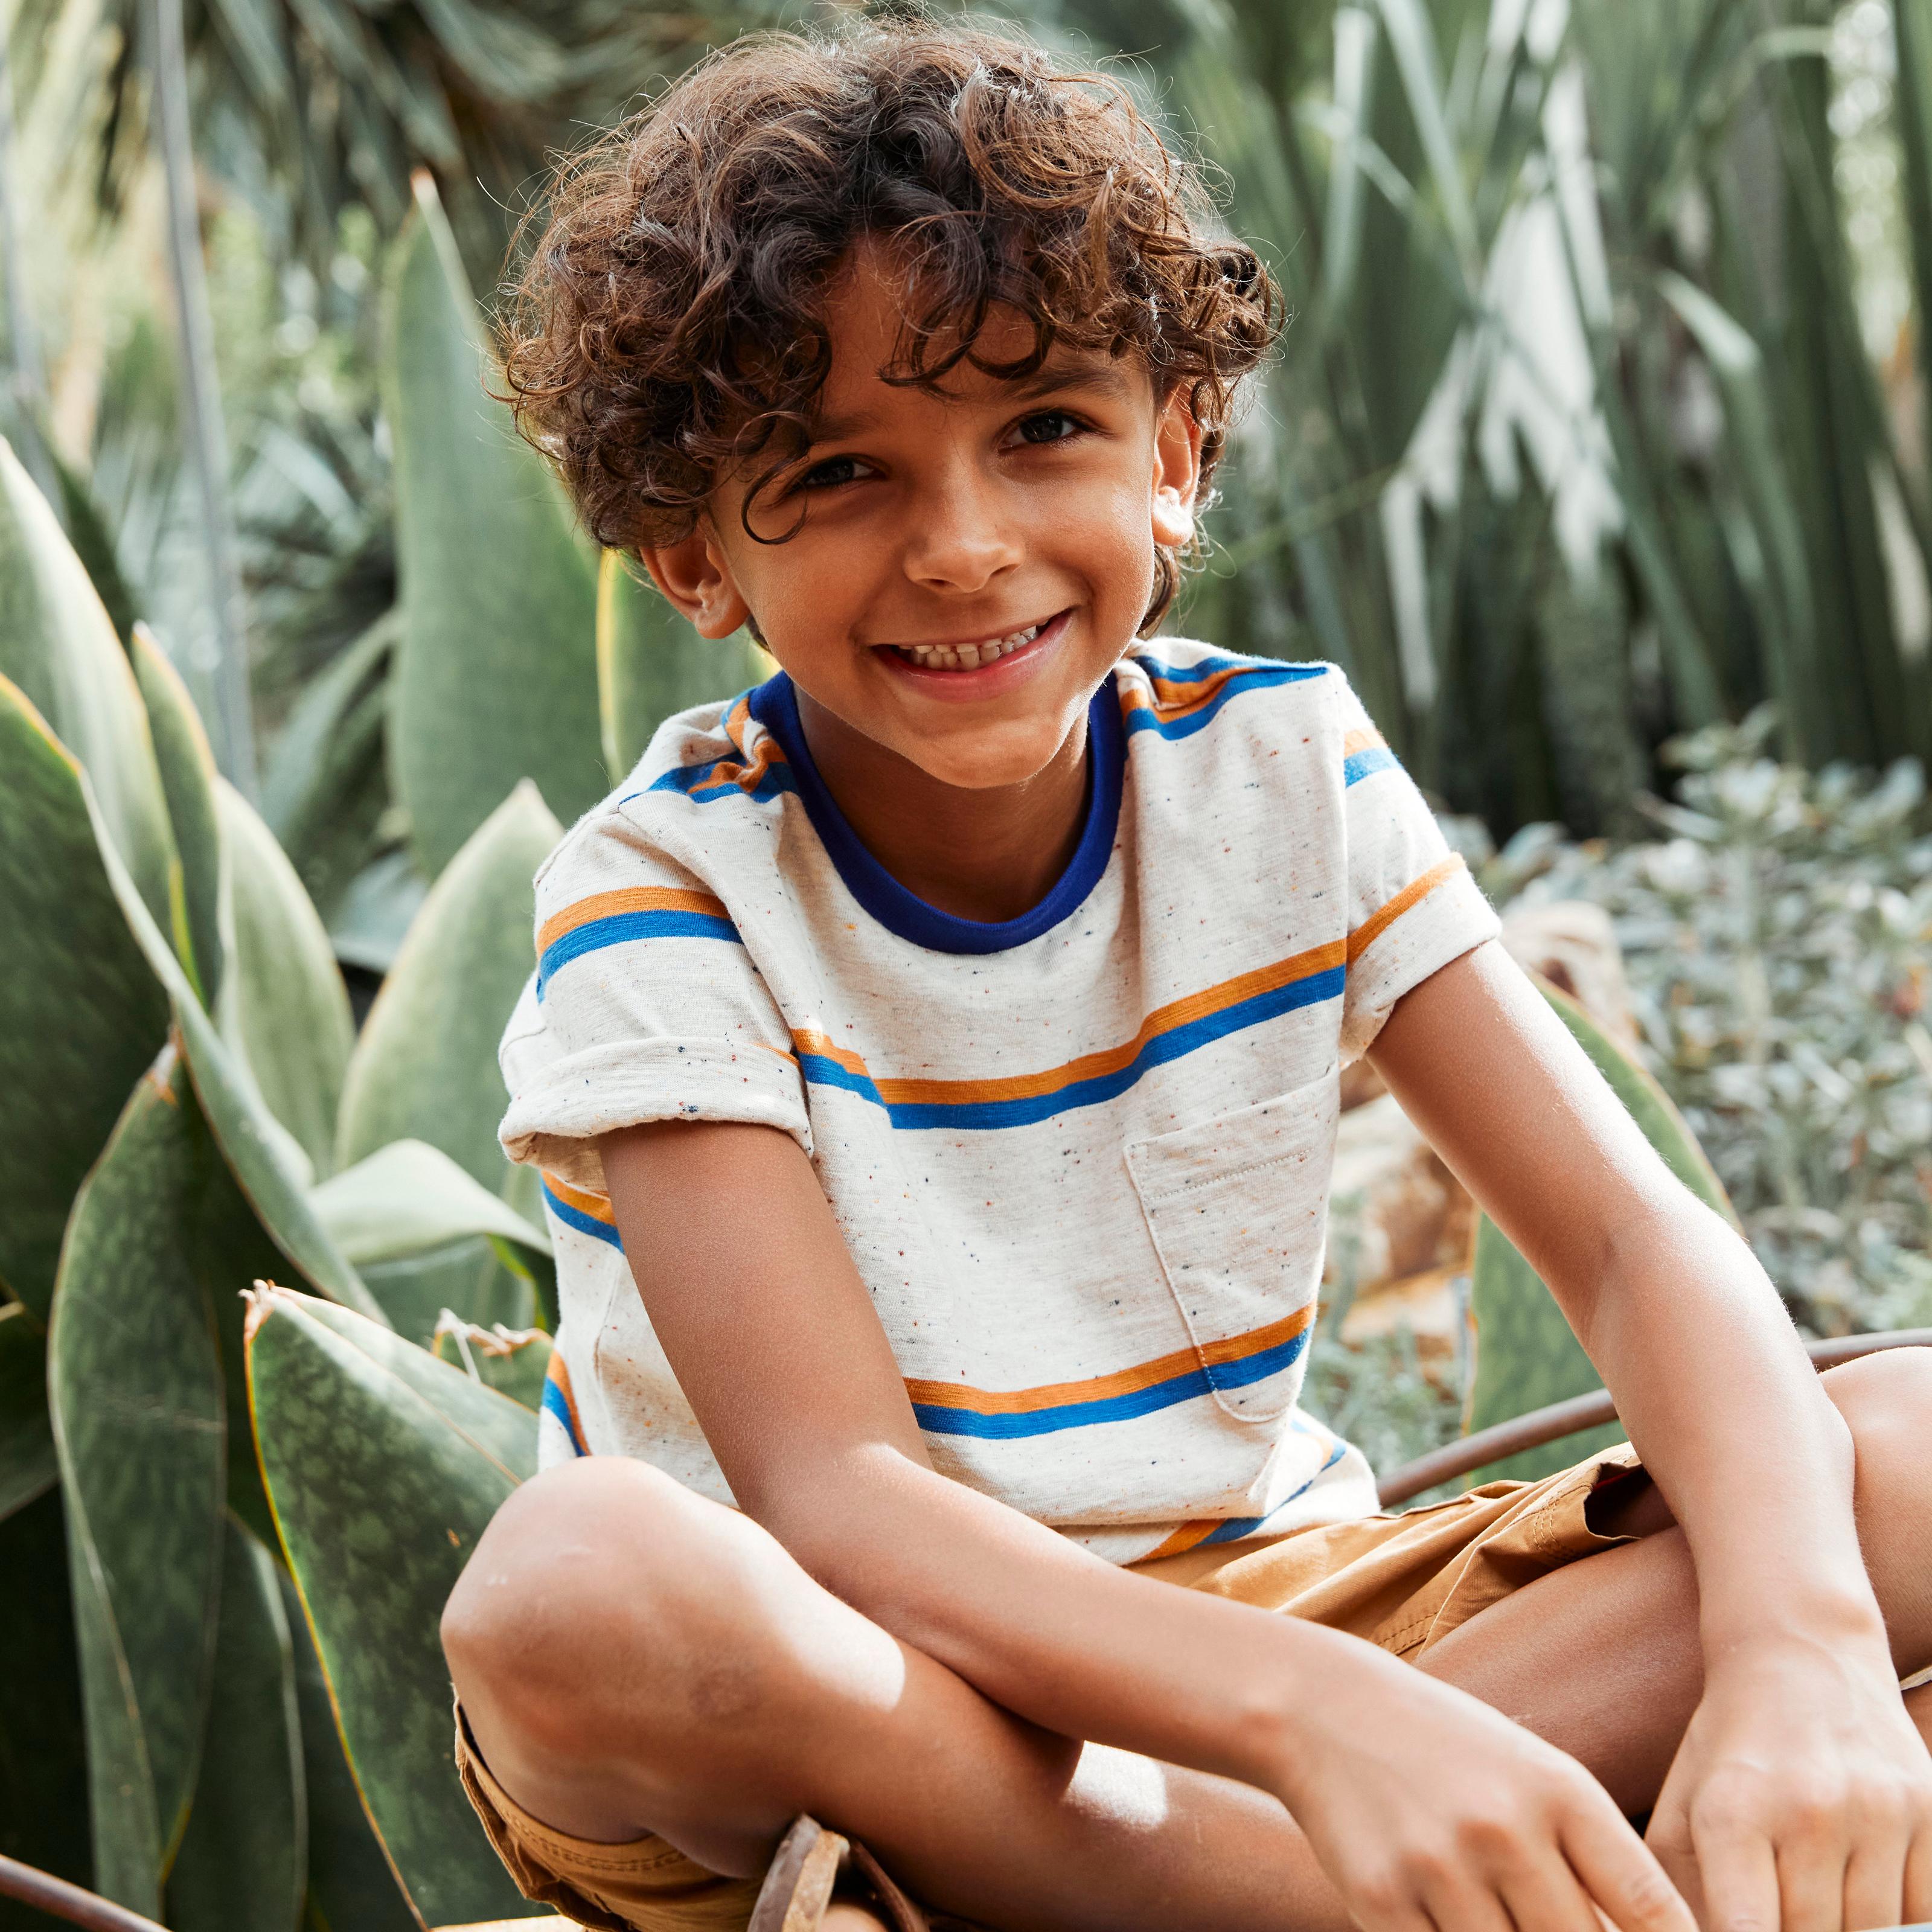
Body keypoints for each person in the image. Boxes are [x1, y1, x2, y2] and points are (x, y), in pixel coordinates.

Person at [440, 18, 1932, 1932]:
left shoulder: (1282, 778)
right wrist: (1321, 1725)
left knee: (1890, 1455)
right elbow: (842, 1504)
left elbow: (1641, 1252)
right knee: (574, 1592)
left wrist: (1803, 1659)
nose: (965, 546)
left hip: (1300, 1634)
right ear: (689, 556)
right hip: (882, 1703)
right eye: (837, 469)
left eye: (1042, 427)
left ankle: (1259, 1894)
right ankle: (1305, 1889)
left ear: (1179, 450)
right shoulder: (669, 896)